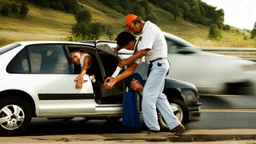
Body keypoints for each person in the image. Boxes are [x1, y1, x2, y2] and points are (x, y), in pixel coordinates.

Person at [105, 14, 185, 136]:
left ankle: (153, 128)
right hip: (157, 65)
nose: (130, 30)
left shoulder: (149, 29)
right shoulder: (141, 39)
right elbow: (131, 69)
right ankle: (176, 126)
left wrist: (127, 60)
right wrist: (114, 79)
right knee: (159, 97)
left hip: (159, 65)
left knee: (147, 97)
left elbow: (144, 51)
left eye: (130, 27)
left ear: (136, 22)